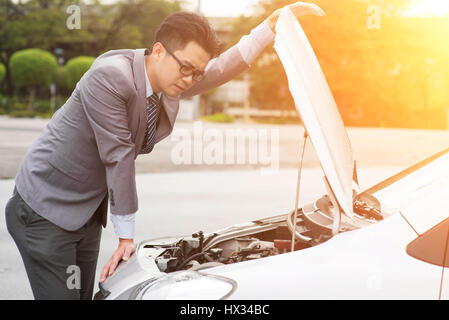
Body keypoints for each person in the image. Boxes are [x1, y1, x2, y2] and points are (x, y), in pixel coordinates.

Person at [5, 1, 325, 299]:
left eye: (195, 72)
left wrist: (269, 27)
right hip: (43, 211)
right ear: (158, 51)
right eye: (186, 68)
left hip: (85, 212)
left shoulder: (167, 81)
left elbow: (218, 70)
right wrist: (126, 238)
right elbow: (118, 156)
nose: (190, 79)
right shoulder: (110, 77)